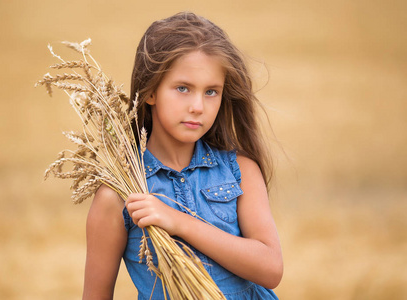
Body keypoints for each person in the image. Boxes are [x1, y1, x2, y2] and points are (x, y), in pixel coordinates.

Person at [82, 12, 283, 300]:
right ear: (150, 91)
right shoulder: (119, 195)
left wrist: (178, 222)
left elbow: (271, 268)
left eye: (211, 91)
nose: (198, 106)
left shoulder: (239, 170)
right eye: (183, 88)